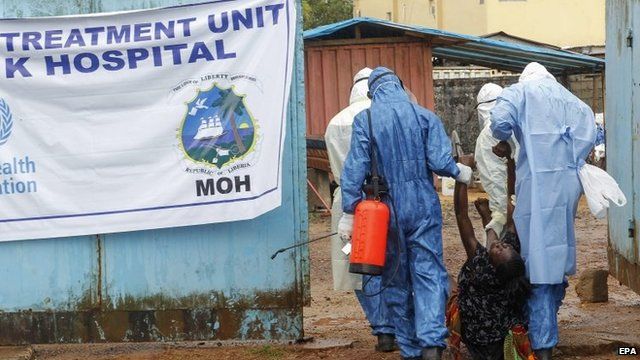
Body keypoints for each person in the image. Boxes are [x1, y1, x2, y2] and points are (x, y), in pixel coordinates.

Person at [338, 67, 474, 360]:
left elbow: (354, 170)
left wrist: (350, 212)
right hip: (423, 205)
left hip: (385, 211)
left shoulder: (366, 120)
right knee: (428, 273)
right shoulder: (425, 116)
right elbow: (440, 162)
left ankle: (411, 349)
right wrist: (459, 171)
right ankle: (432, 345)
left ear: (373, 93)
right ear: (401, 86)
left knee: (394, 278)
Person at [490, 62, 596, 359]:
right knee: (555, 252)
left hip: (538, 185)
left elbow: (499, 121)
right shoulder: (574, 102)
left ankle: (542, 344)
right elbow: (591, 135)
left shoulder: (521, 91)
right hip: (567, 186)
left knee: (537, 261)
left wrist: (504, 139)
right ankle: (544, 324)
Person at [324, 67, 396, 352]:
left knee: (358, 266)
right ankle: (396, 324)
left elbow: (337, 170)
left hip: (348, 203)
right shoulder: (385, 115)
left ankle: (381, 329)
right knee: (391, 264)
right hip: (385, 200)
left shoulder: (335, 122)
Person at [448, 150, 533, 360]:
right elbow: (513, 206)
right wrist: (510, 162)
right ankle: (488, 219)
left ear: (493, 264)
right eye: (504, 247)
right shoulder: (509, 261)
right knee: (496, 238)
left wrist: (463, 172)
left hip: (477, 341)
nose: (501, 246)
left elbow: (461, 216)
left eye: (498, 250)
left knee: (443, 281)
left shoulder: (481, 269)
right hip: (501, 337)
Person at [474, 83, 518, 244]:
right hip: (522, 203)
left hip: (507, 211)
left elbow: (495, 180)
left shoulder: (487, 136)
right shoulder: (516, 126)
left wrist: (500, 217)